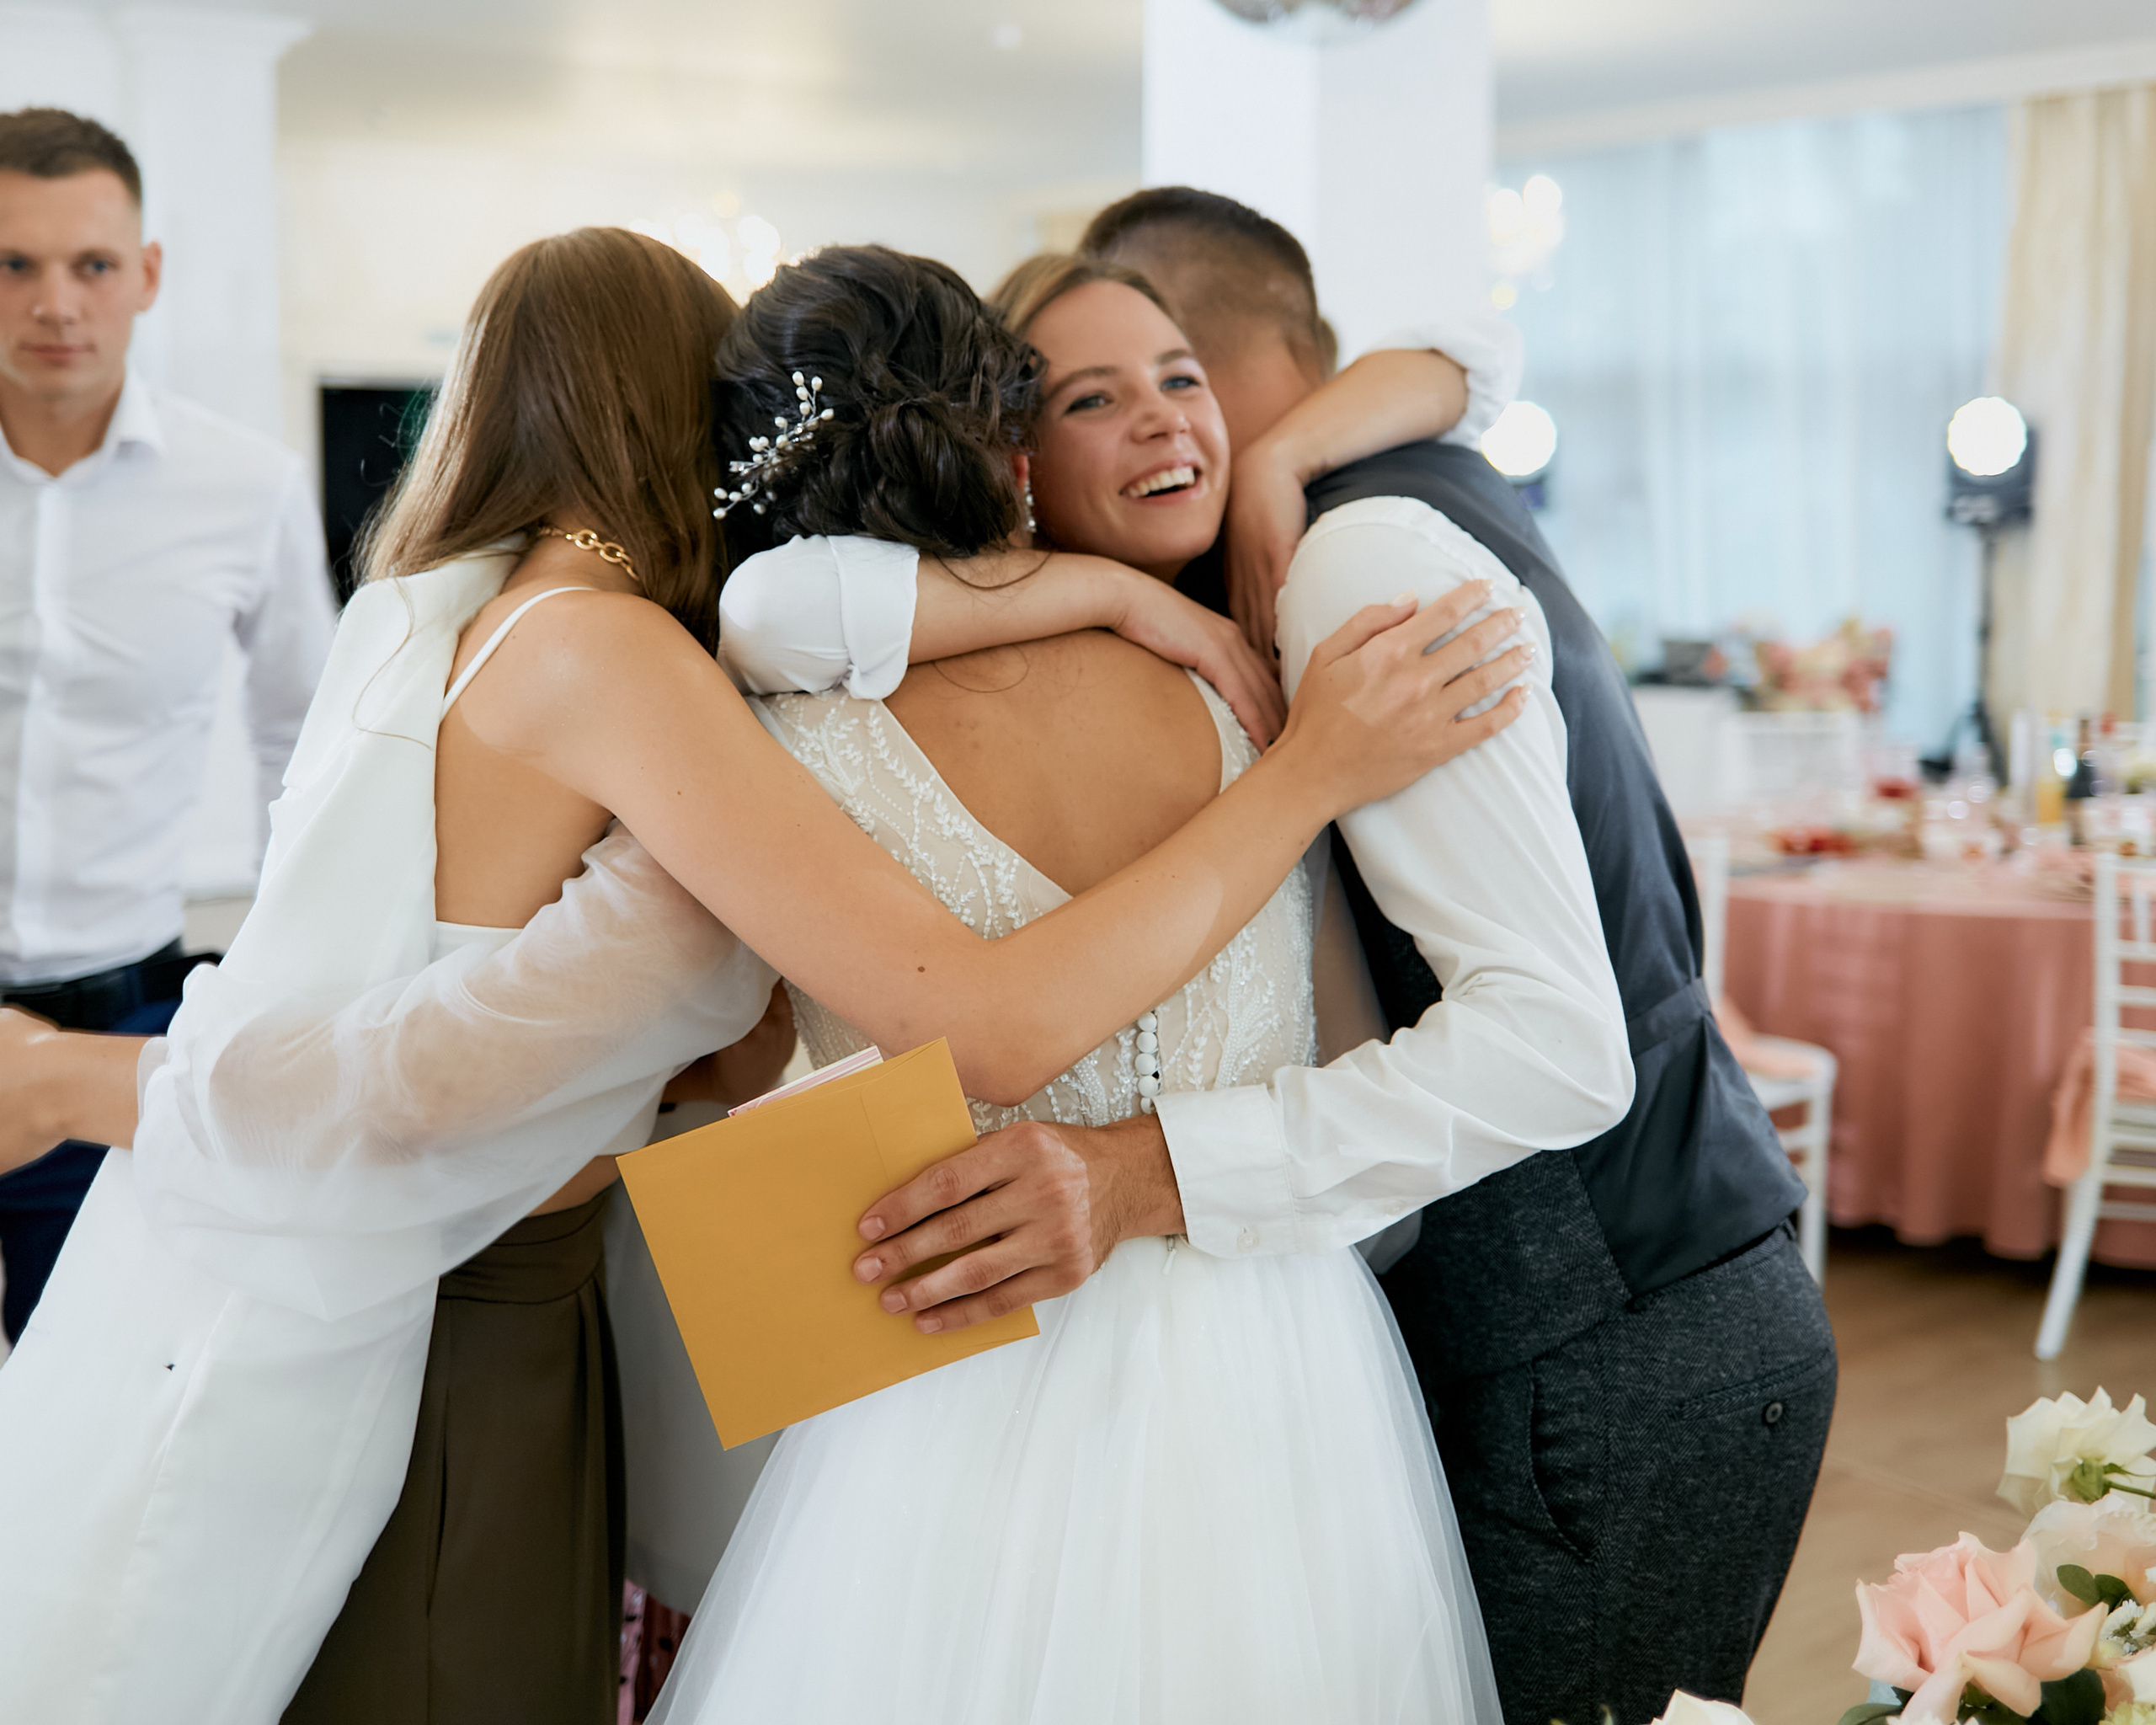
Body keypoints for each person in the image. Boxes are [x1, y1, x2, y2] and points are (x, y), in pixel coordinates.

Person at [0, 227, 1502, 1725]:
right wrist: (1285, 753)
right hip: (474, 1287)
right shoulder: (631, 655)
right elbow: (964, 1019)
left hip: (546, 1278)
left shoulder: (454, 613)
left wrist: (1102, 600)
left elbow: (680, 1011)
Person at [852, 197, 1833, 1721]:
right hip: (1587, 1324)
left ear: (1238, 370)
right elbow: (1470, 356)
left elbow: (1551, 1043)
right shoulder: (1339, 525)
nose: (1161, 423)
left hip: (1605, 1343)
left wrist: (1142, 1174)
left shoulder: (1351, 565)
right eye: (1088, 394)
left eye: (1173, 372)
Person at [635, 242, 1513, 1723]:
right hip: (1280, 1360)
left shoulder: (762, 730)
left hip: (942, 1370)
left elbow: (730, 1046)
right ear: (1013, 442)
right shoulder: (1239, 690)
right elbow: (1354, 1068)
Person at [0, 106, 335, 1338]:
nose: (54, 303)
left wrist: (292, 979)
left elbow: (303, 746)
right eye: (13, 264)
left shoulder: (247, 488)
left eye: (90, 265)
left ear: (145, 277)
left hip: (120, 1034)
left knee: (89, 1410)